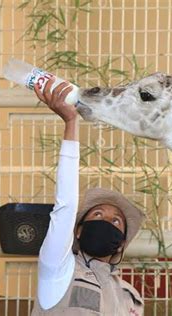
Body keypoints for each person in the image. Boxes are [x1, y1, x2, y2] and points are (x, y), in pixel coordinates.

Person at [30, 78, 145, 316]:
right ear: (78, 230)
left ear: (121, 241)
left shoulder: (130, 296)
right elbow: (66, 204)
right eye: (97, 214)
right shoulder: (58, 269)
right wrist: (71, 122)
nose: (105, 221)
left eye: (116, 221)